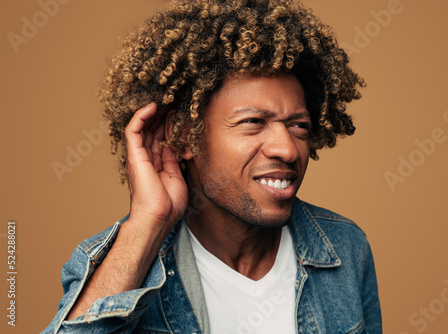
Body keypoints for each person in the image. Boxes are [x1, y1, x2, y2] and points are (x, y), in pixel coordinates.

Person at [43, 0, 382, 333]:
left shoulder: (346, 247)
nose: (287, 149)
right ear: (186, 137)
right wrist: (148, 223)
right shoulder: (111, 264)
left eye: (298, 125)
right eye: (253, 121)